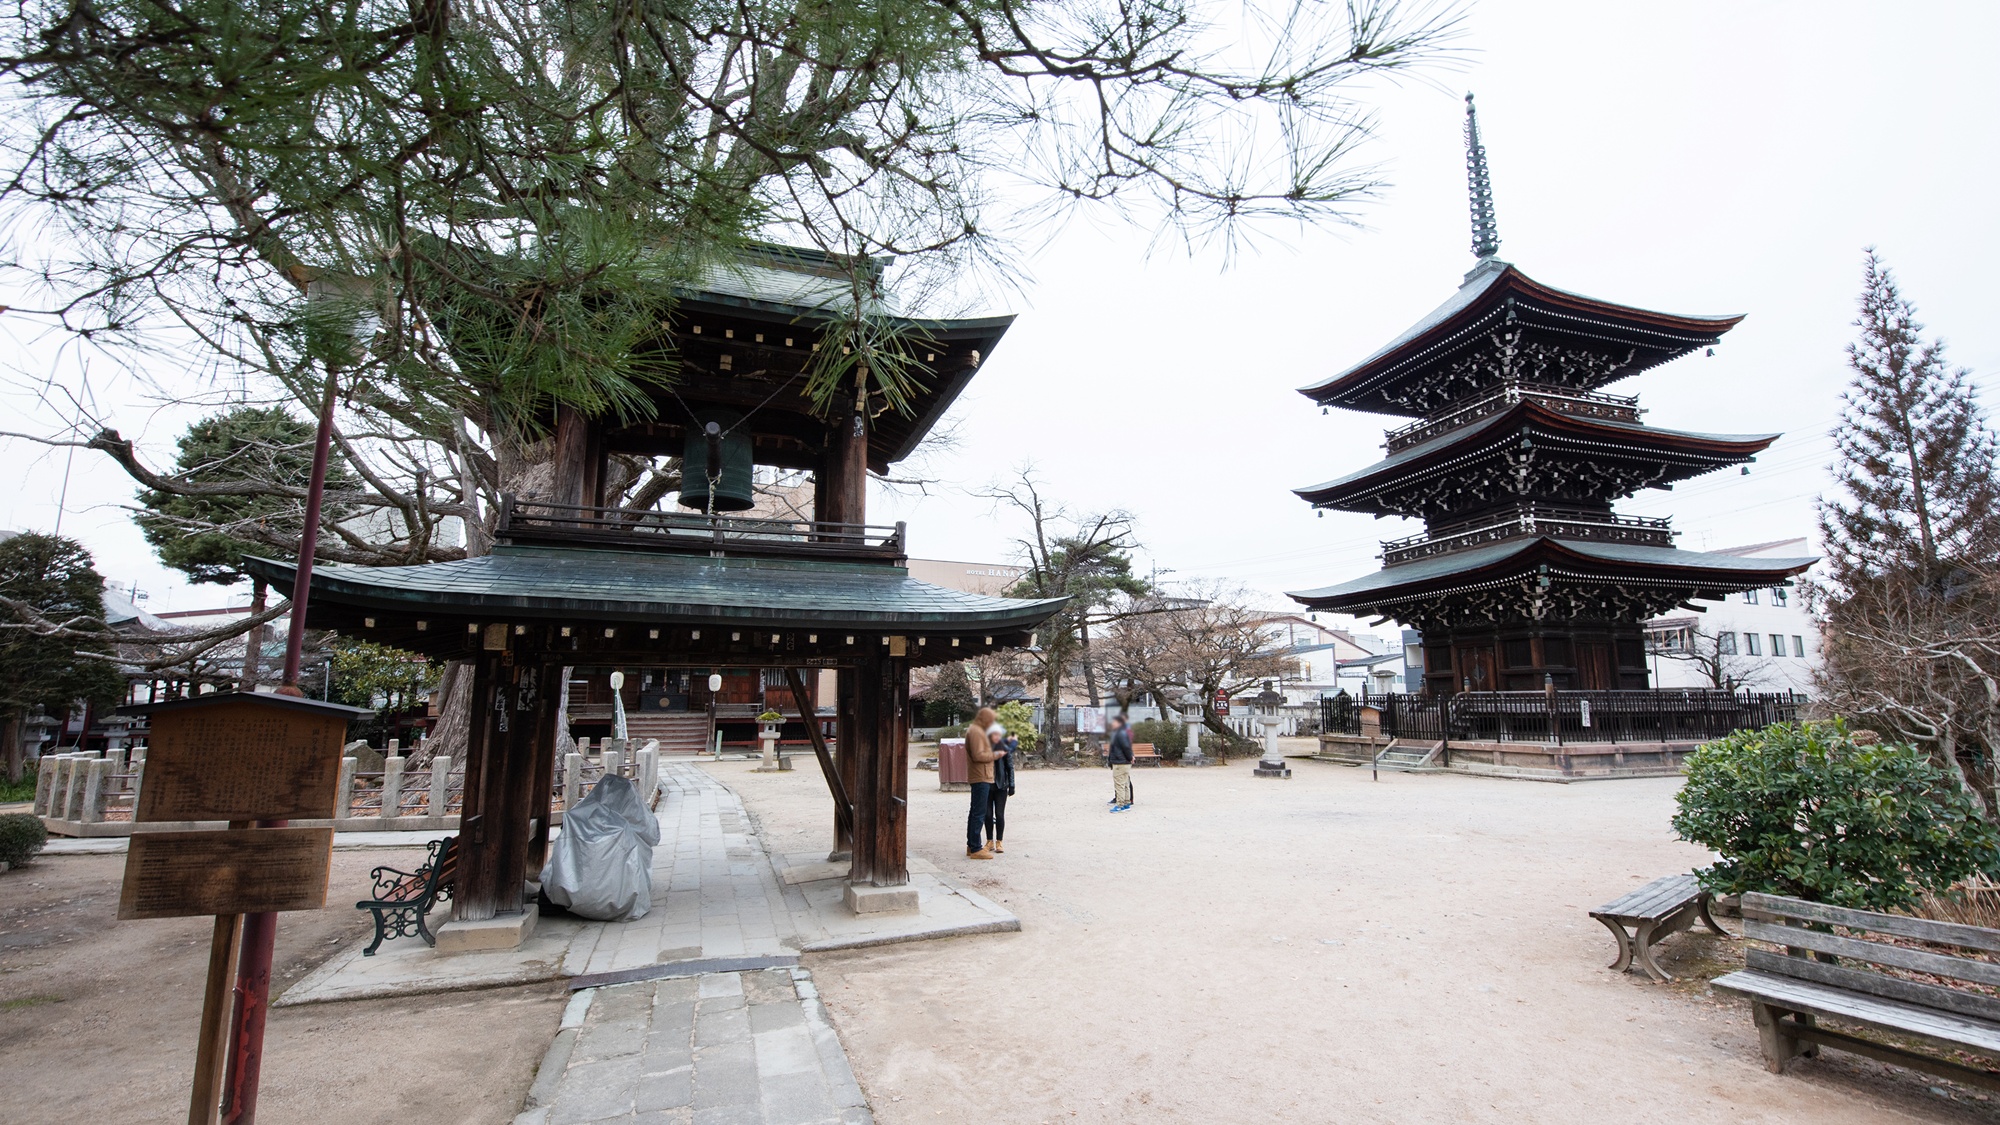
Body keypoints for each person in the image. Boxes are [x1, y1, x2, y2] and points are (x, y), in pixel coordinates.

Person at [964, 707, 1007, 859]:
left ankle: (971, 845)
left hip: (982, 775)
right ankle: (976, 848)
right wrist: (995, 755)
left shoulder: (977, 730)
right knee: (979, 813)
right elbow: (978, 755)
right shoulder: (976, 731)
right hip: (980, 776)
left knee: (975, 811)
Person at [985, 721, 1018, 852]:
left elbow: (1010, 767)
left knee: (999, 814)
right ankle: (989, 841)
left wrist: (1012, 785)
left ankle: (999, 841)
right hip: (987, 784)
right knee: (987, 815)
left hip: (1001, 785)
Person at [1106, 714, 1133, 812]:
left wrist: (1129, 757)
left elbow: (1126, 747)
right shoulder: (1124, 733)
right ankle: (1126, 803)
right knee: (1125, 783)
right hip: (1124, 762)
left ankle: (1120, 805)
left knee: (1119, 784)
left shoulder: (1119, 733)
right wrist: (1130, 757)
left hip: (1120, 762)